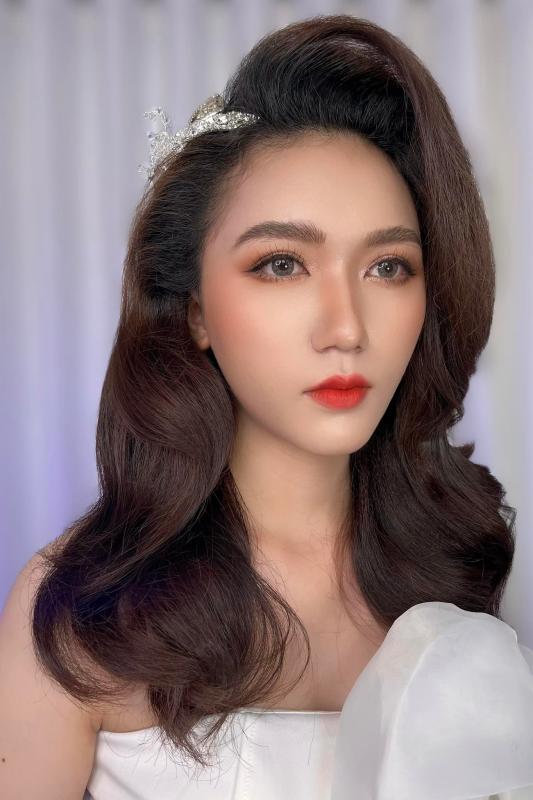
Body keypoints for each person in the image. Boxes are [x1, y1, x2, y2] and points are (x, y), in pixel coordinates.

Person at [1, 12, 532, 800]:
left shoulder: (455, 573)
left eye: (388, 267)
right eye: (282, 264)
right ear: (194, 310)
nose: (346, 328)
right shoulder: (83, 608)